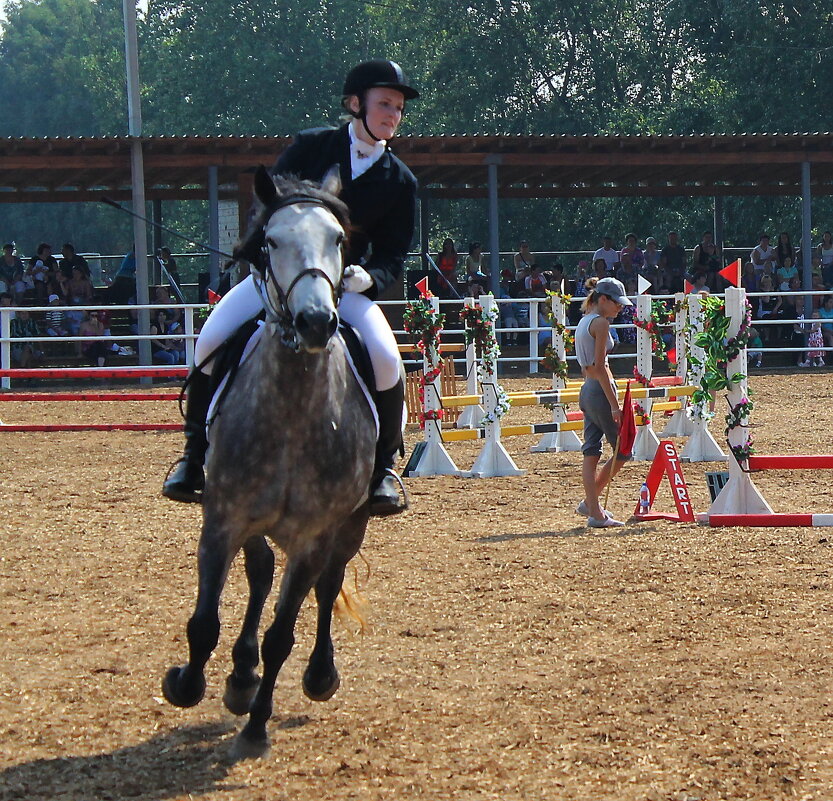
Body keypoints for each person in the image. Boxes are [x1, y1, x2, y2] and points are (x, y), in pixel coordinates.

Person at [162, 59, 419, 517]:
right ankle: (193, 455)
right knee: (210, 340)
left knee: (385, 359)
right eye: (385, 104)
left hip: (345, 290)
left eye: (398, 108)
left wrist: (369, 278)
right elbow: (268, 206)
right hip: (279, 281)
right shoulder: (311, 147)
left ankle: (382, 470)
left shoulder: (400, 180)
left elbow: (394, 254)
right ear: (355, 104)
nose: (393, 115)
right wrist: (260, 259)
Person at [575, 276, 632, 528]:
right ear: (603, 299)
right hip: (599, 390)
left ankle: (593, 508)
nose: (620, 308)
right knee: (623, 449)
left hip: (587, 388)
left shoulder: (584, 321)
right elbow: (601, 366)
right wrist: (614, 403)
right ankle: (592, 504)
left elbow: (587, 368)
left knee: (591, 451)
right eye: (617, 303)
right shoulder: (600, 323)